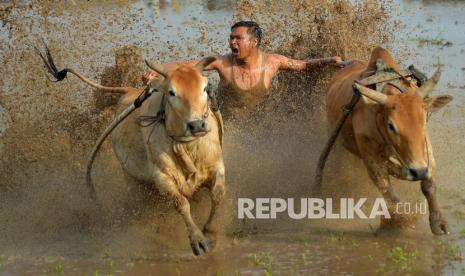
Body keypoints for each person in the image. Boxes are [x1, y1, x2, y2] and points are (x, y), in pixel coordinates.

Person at [143, 20, 343, 120]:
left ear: (254, 42)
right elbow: (185, 64)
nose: (232, 42)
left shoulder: (272, 62)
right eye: (231, 38)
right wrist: (159, 72)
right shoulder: (222, 63)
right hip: (226, 123)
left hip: (257, 122)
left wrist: (328, 61)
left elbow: (303, 65)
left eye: (238, 38)